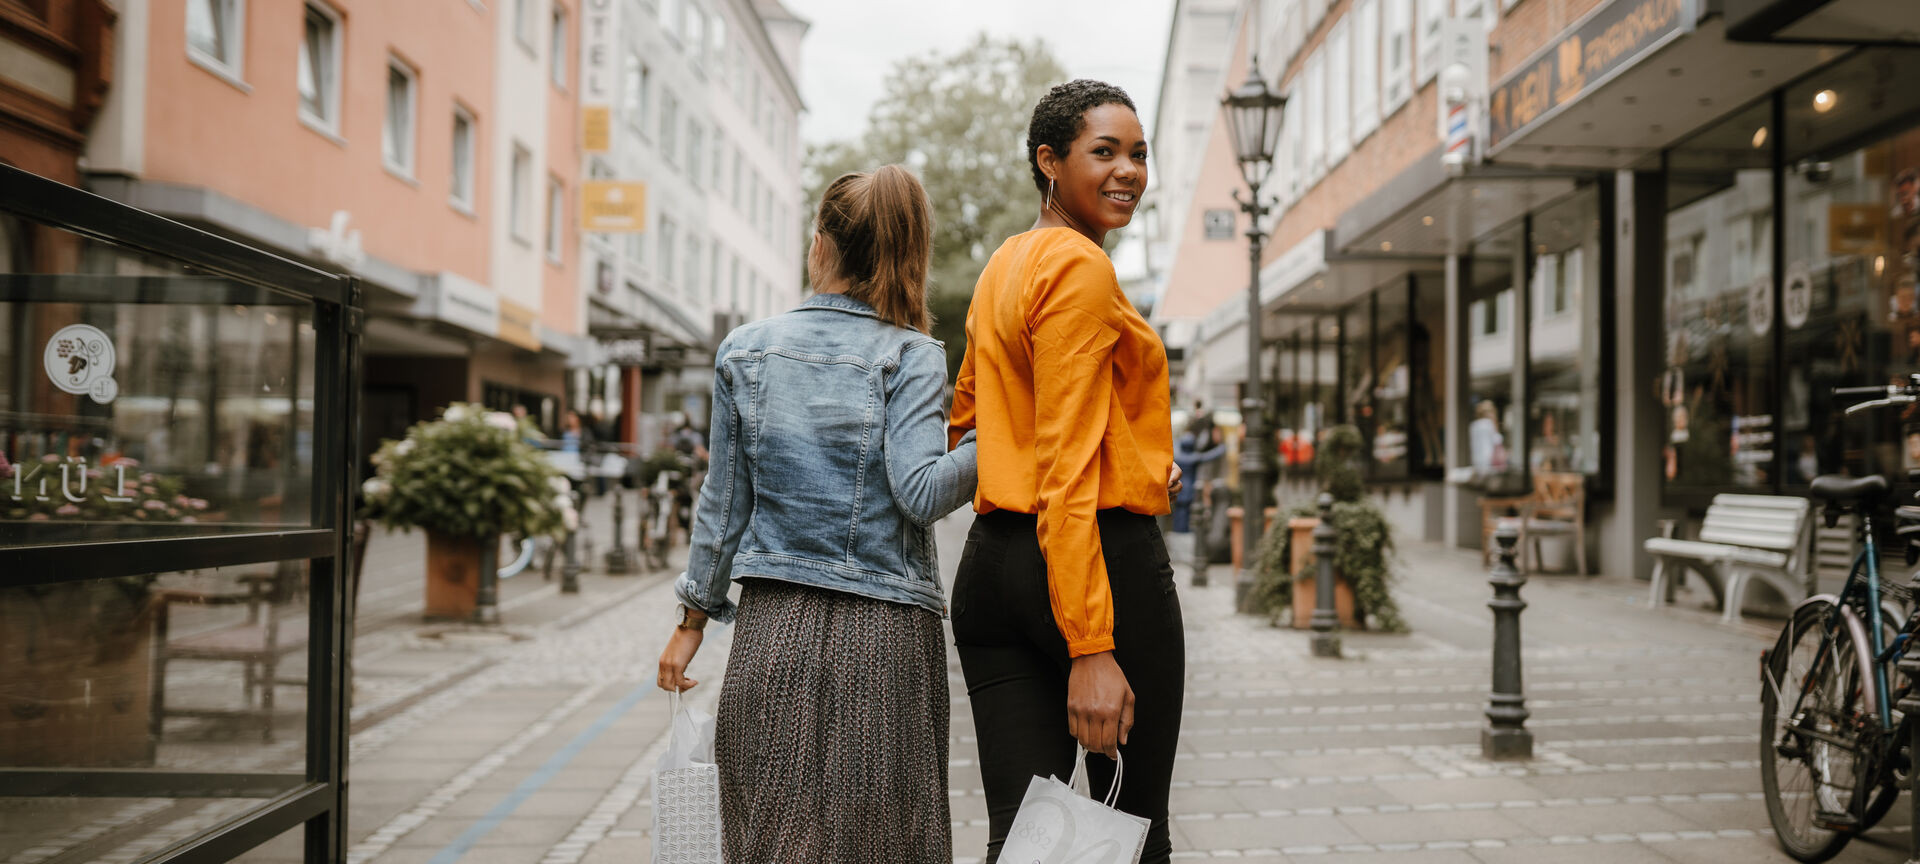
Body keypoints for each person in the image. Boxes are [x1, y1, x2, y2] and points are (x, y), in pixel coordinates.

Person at [656, 165, 978, 862]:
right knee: (883, 838)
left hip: (773, 626)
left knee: (774, 833)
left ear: (820, 244)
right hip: (885, 632)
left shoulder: (745, 350)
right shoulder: (912, 355)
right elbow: (922, 492)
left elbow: (722, 506)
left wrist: (691, 624)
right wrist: (999, 439)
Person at [948, 79, 1183, 864]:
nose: (1128, 171)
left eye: (1139, 154)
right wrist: (1090, 644)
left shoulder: (1002, 267)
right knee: (1134, 837)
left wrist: (1138, 461)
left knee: (1026, 849)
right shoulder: (1081, 270)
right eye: (1104, 152)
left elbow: (969, 422)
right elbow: (1068, 462)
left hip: (992, 569)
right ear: (1049, 160)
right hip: (1093, 572)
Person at [1171, 416, 1226, 534]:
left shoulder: (1179, 456)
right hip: (1189, 488)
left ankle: (1178, 530)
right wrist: (1222, 448)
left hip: (1177, 486)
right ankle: (1182, 531)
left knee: (1179, 512)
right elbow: (1209, 456)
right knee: (1185, 513)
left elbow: (1174, 444)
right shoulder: (1193, 458)